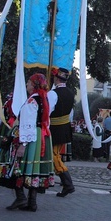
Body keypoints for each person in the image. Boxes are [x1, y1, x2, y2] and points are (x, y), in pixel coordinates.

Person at [0, 73, 54, 212]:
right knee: (32, 169)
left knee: (16, 166)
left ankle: (21, 197)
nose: (26, 85)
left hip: (29, 136)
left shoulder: (32, 101)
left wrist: (23, 144)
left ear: (33, 85)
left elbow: (28, 124)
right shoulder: (44, 99)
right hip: (40, 136)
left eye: (28, 82)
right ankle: (32, 202)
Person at [47, 67, 76, 197]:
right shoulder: (70, 93)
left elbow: (48, 112)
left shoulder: (53, 93)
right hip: (64, 127)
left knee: (54, 156)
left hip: (54, 127)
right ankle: (65, 184)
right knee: (55, 155)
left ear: (56, 78)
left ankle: (68, 183)